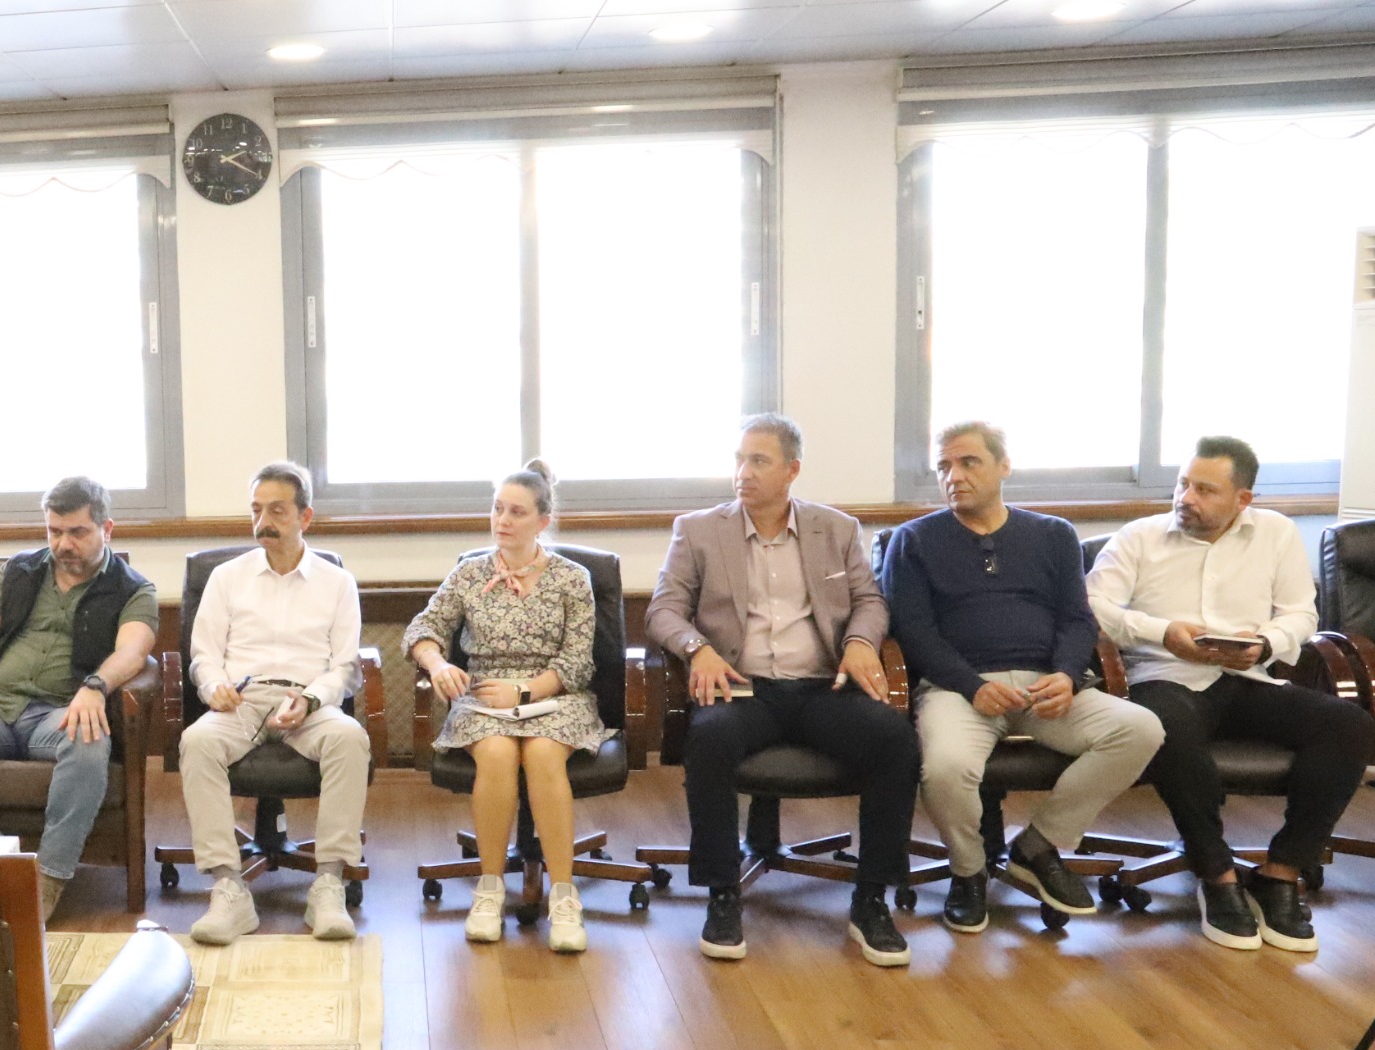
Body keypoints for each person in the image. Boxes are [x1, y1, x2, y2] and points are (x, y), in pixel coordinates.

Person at [647, 414, 919, 966]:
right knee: (711, 739)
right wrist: (698, 648)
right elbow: (663, 610)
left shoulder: (835, 529)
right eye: (739, 460)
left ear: (792, 470)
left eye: (759, 461)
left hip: (822, 686)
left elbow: (869, 601)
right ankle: (723, 894)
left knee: (896, 742)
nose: (743, 473)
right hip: (744, 687)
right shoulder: (698, 530)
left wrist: (861, 642)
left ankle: (871, 899)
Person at [1088, 436, 1375, 952]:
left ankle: (1281, 873)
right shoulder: (1139, 537)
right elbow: (1093, 606)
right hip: (1164, 676)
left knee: (1348, 724)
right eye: (1183, 484)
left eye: (1204, 490)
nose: (1186, 498)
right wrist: (1164, 632)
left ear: (1243, 499)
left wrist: (1265, 643)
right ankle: (1217, 876)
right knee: (1167, 727)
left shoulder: (1276, 533)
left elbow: (1300, 613)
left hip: (1246, 678)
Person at [885, 422, 1163, 932]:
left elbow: (1077, 619)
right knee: (945, 767)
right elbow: (914, 633)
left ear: (1004, 466)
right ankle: (968, 872)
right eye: (944, 466)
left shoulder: (1052, 534)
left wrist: (1067, 676)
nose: (953, 476)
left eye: (968, 462)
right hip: (958, 689)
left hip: (1044, 686)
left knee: (1141, 729)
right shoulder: (914, 540)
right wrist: (973, 686)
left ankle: (1037, 845)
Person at [0, 475, 159, 923]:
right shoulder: (19, 572)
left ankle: (48, 878)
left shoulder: (133, 589)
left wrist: (95, 687)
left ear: (107, 529)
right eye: (55, 531)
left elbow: (134, 651)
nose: (64, 544)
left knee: (89, 741)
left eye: (77, 532)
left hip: (60, 713)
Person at [405, 461, 610, 951]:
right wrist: (437, 663)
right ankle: (490, 889)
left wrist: (524, 693)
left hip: (554, 695)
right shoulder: (470, 573)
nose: (502, 520)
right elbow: (422, 629)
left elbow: (578, 661)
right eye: (497, 509)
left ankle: (564, 897)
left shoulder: (572, 578)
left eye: (517, 512)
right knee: (497, 754)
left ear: (543, 521)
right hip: (484, 695)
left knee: (542, 753)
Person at [182, 462, 371, 946]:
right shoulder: (226, 577)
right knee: (197, 742)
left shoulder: (336, 583)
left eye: (277, 511)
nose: (263, 521)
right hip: (242, 699)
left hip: (307, 700)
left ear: (305, 517)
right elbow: (203, 655)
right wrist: (214, 686)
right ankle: (229, 889)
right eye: (256, 510)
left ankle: (328, 885)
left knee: (350, 738)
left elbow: (345, 667)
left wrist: (309, 699)